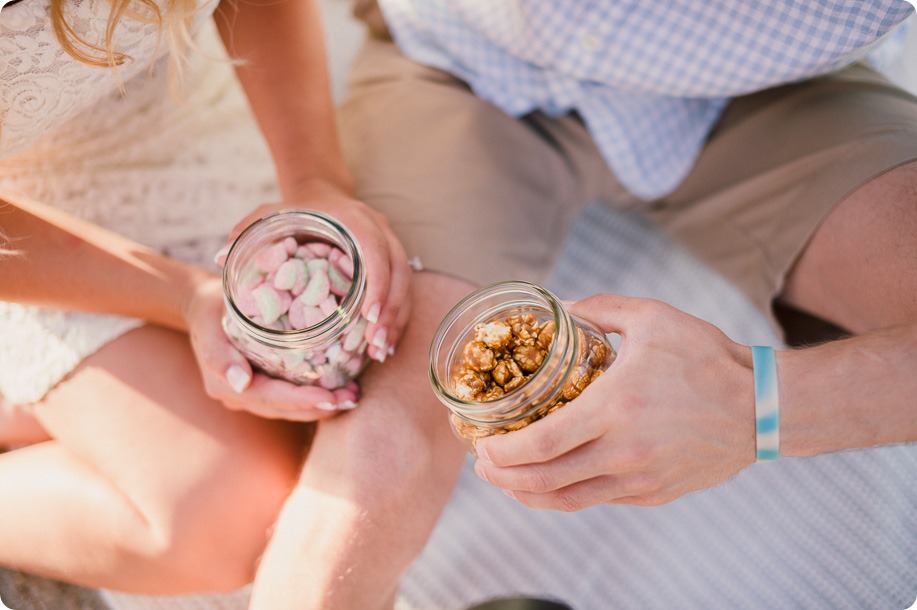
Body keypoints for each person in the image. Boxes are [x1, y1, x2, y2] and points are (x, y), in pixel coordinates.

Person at [244, 1, 917, 606]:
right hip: (463, 62)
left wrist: (759, 409)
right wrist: (309, 176)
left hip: (767, 91)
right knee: (376, 455)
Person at [0, 0, 460, 598]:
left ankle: (28, 409)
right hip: (32, 236)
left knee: (373, 372)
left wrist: (315, 178)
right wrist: (186, 297)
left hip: (198, 124)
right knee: (227, 518)